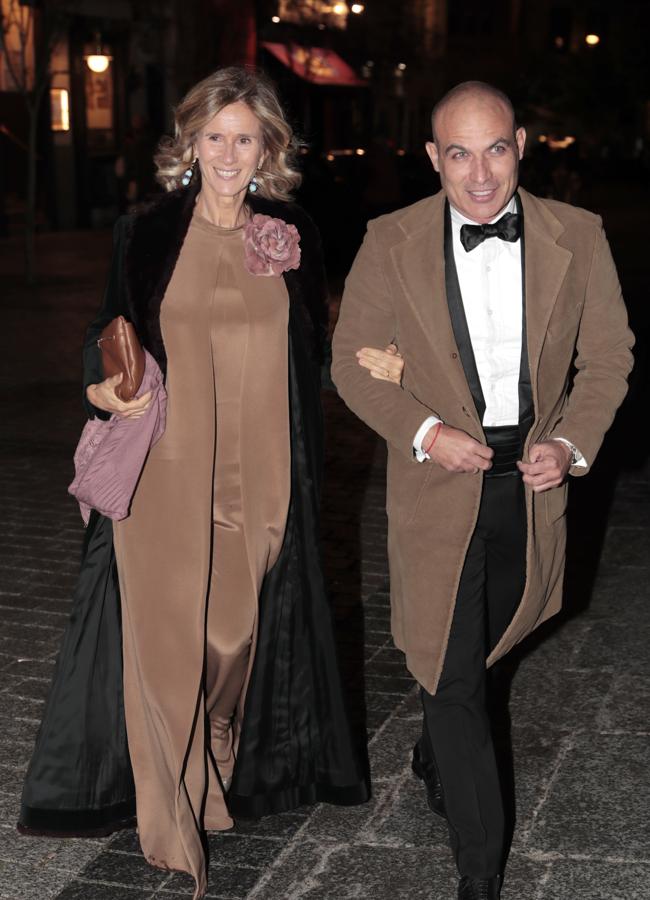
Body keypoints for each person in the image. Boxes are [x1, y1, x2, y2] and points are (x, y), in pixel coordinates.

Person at [18, 67, 401, 898]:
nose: (229, 153)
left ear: (269, 148)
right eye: (214, 136)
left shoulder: (291, 234)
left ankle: (212, 768)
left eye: (245, 137)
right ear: (190, 142)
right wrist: (106, 385)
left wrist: (374, 363)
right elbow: (103, 333)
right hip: (165, 473)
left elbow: (314, 348)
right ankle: (172, 824)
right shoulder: (148, 233)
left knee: (231, 640)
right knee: (163, 653)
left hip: (261, 479)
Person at [332, 81, 634, 900]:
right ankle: (478, 871)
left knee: (495, 641)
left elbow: (608, 358)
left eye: (494, 148)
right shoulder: (389, 241)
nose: (478, 175)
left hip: (533, 481)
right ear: (433, 157)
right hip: (439, 484)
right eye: (457, 153)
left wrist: (570, 443)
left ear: (522, 144)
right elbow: (351, 361)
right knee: (455, 674)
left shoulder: (579, 235)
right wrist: (428, 434)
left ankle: (435, 748)